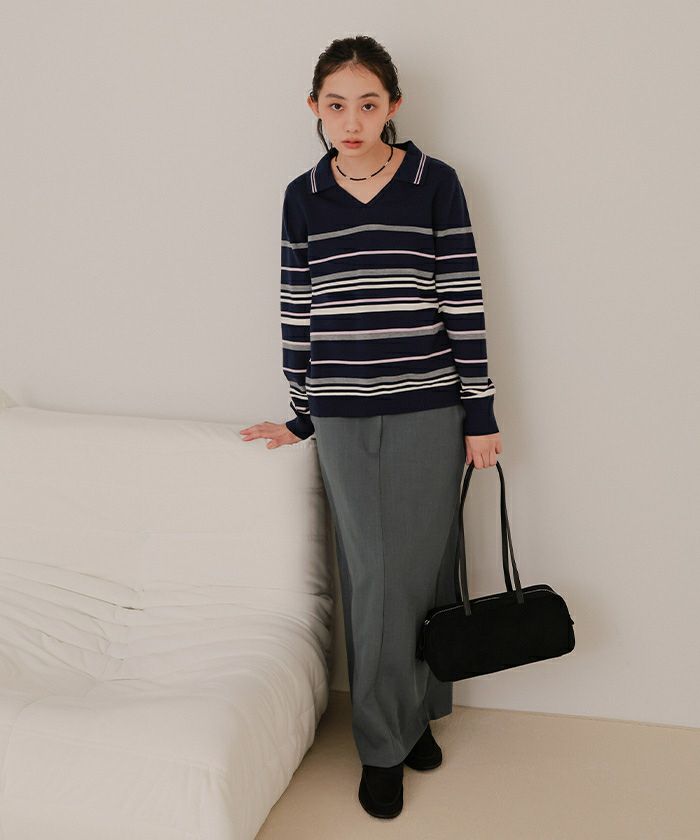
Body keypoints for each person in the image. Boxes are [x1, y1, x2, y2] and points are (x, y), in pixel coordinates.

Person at [239, 35, 503, 820]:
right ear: (314, 109)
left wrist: (480, 411)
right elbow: (297, 308)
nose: (350, 121)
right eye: (335, 105)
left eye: (367, 104)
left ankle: (418, 712)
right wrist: (301, 411)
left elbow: (462, 298)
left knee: (427, 568)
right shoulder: (304, 196)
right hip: (344, 414)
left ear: (393, 106)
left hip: (431, 406)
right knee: (376, 576)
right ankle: (384, 744)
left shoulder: (435, 183)